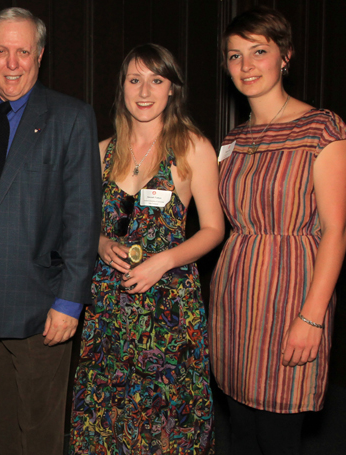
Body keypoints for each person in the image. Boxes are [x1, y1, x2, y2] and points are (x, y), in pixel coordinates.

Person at [0, 7, 101, 455]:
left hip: (42, 296)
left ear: (40, 55)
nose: (12, 63)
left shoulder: (71, 118)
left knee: (40, 431)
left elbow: (83, 216)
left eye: (23, 52)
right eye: (2, 51)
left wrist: (69, 301)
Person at [70, 44, 223, 454]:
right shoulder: (101, 151)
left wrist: (165, 261)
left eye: (156, 80)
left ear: (172, 89)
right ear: (121, 87)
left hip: (168, 308)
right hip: (108, 309)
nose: (144, 91)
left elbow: (213, 229)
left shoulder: (193, 148)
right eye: (134, 80)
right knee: (108, 418)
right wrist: (100, 243)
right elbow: (81, 226)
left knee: (166, 423)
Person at [210, 6, 346, 455]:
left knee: (278, 434)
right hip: (235, 299)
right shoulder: (234, 138)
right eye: (234, 56)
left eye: (258, 52)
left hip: (291, 296)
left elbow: (336, 230)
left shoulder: (321, 128)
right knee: (241, 432)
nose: (246, 66)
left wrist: (311, 318)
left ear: (284, 56)